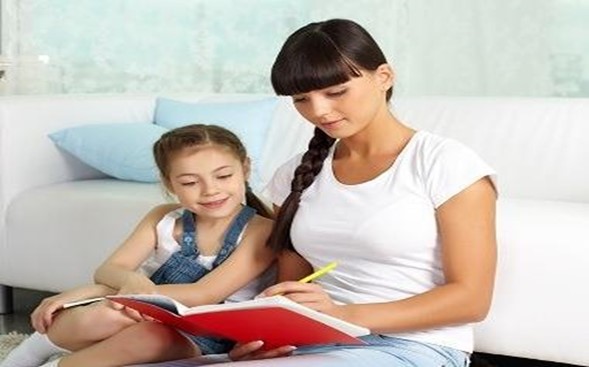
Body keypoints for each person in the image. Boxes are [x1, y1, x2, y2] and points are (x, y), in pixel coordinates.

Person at [227, 18, 498, 366]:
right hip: (315, 342)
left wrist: (342, 314)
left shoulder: (446, 164)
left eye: (336, 92)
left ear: (383, 77)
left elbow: (471, 300)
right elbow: (291, 289)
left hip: (414, 347)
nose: (318, 111)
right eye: (301, 99)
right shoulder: (295, 174)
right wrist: (266, 341)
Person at [0, 124, 276, 367]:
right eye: (190, 182)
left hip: (210, 336)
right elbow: (111, 268)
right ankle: (25, 358)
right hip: (148, 310)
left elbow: (204, 293)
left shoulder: (261, 231)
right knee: (101, 316)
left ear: (245, 169)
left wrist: (97, 291)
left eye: (223, 176)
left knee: (147, 338)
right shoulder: (163, 217)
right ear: (169, 183)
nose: (210, 190)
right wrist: (126, 284)